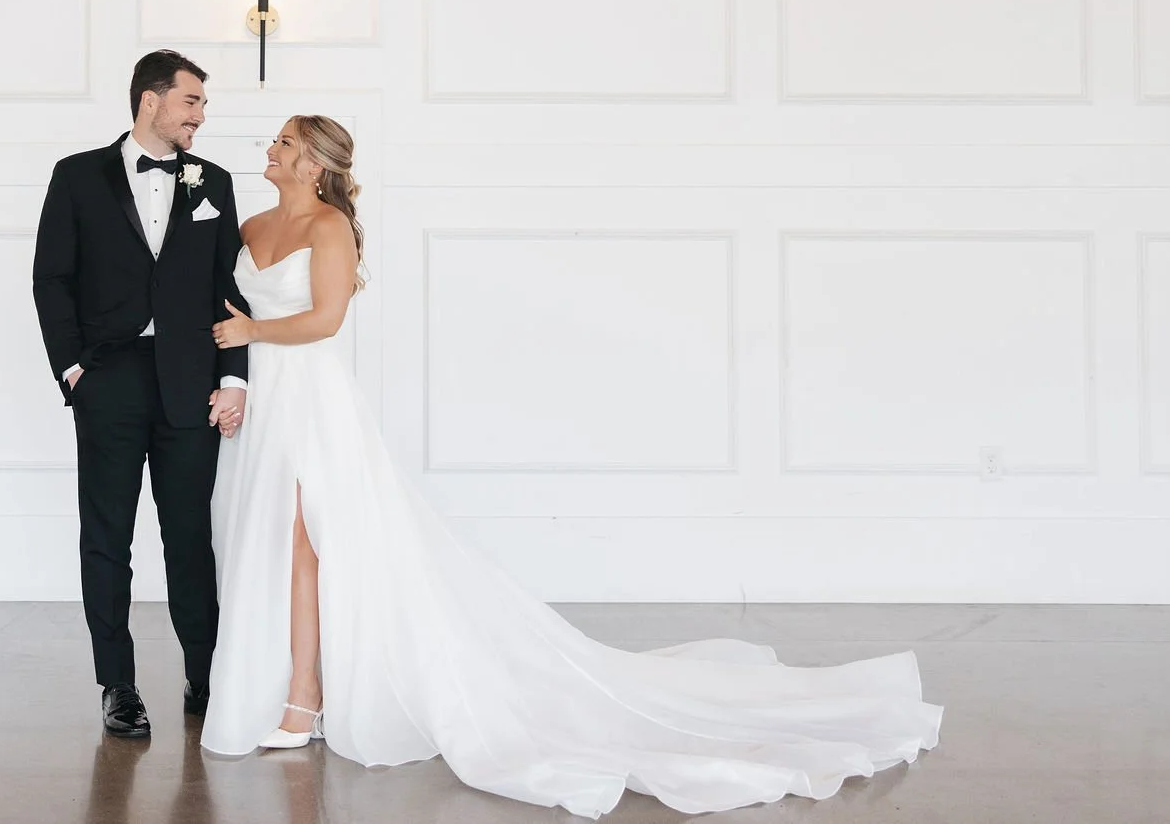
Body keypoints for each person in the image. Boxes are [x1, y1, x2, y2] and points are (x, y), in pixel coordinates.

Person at [200, 115, 943, 818]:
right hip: (263, 399)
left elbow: (326, 319)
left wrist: (254, 327)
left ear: (315, 163)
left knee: (311, 539)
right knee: (270, 542)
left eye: (286, 140)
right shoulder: (253, 225)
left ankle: (308, 695)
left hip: (315, 399)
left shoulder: (329, 228)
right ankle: (294, 685)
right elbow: (223, 314)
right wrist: (233, 374)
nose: (271, 146)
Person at [32, 50, 252, 739]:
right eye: (192, 101)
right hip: (110, 379)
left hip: (191, 382)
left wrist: (233, 377)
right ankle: (118, 684)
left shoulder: (212, 180)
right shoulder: (76, 176)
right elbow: (51, 280)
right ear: (152, 100)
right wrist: (73, 371)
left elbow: (229, 287)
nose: (201, 115)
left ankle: (204, 673)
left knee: (190, 535)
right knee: (107, 537)